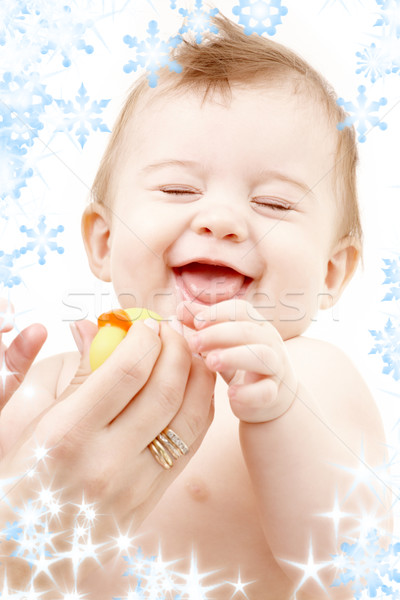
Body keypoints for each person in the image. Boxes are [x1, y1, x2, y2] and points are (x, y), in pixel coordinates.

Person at [0, 13, 391, 599]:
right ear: (104, 243)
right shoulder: (57, 382)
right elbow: (24, 541)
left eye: (274, 203)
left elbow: (359, 571)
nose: (221, 220)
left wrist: (276, 411)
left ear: (332, 272)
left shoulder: (312, 377)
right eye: (179, 190)